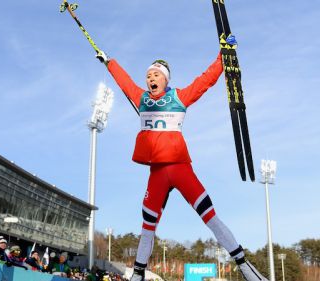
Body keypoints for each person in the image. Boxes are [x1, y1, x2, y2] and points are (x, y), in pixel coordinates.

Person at [94, 45, 268, 281]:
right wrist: (109, 62)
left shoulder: (178, 97)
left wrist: (223, 57)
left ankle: (244, 265)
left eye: (156, 75)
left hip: (180, 168)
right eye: (148, 76)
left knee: (210, 217)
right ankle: (137, 275)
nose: (150, 78)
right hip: (157, 173)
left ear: (165, 79)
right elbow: (124, 82)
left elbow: (204, 82)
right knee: (147, 227)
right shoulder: (142, 98)